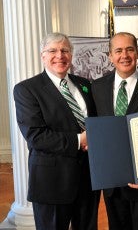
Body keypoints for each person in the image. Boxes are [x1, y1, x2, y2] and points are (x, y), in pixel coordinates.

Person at [13, 32, 100, 230]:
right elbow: (36, 136)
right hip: (52, 182)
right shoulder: (27, 89)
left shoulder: (85, 84)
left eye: (64, 50)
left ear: (71, 54)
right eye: (52, 50)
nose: (59, 55)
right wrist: (80, 140)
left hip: (88, 178)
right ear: (42, 56)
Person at [91, 32, 138, 230]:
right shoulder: (97, 88)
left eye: (130, 49)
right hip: (111, 181)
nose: (124, 55)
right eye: (118, 50)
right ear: (110, 56)